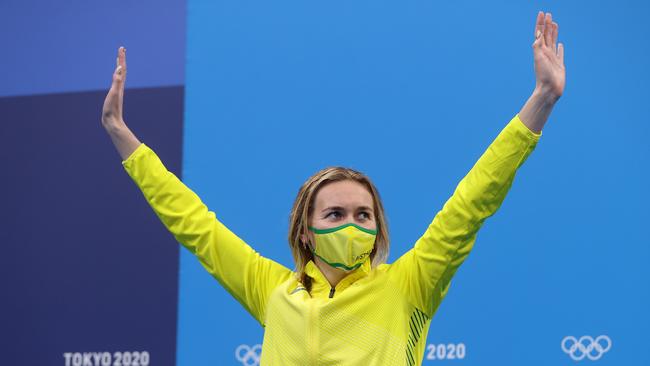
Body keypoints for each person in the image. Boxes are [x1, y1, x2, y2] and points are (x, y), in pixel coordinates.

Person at [101, 11, 565, 365]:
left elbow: (474, 200)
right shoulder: (272, 290)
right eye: (335, 214)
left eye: (363, 215)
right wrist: (122, 135)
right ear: (306, 231)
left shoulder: (410, 286)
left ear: (378, 227)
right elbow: (194, 225)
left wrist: (542, 99)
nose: (352, 223)